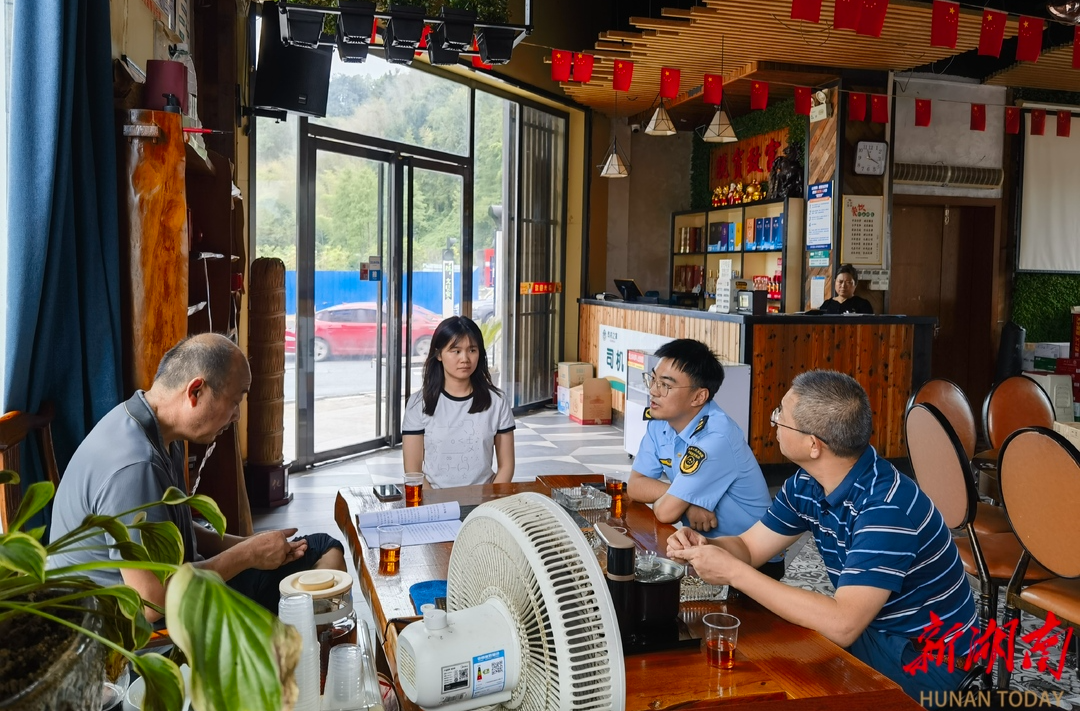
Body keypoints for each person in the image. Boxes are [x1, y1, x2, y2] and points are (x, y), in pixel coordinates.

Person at [666, 370, 977, 699]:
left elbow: (843, 623)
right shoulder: (807, 483)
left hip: (929, 661)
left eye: (780, 417)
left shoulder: (885, 510)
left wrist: (734, 572)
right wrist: (704, 545)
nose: (774, 422)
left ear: (813, 445)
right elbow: (749, 546)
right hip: (873, 629)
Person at [50, 333, 346, 617]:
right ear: (195, 391)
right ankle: (312, 655)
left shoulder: (154, 428)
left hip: (185, 585)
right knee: (304, 584)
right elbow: (153, 602)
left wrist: (253, 546)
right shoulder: (134, 466)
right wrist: (247, 555)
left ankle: (312, 650)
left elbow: (176, 531)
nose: (237, 416)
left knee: (320, 547)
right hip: (128, 631)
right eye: (235, 401)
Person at [626, 339, 783, 579]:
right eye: (653, 379)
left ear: (698, 397)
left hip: (753, 558)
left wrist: (678, 501)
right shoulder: (661, 422)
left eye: (666, 385)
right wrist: (689, 501)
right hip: (706, 549)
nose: (654, 390)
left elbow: (665, 512)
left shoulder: (715, 437)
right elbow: (635, 485)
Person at [402, 316, 515, 488]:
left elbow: (506, 466)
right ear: (439, 354)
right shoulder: (419, 403)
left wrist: (490, 502)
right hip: (436, 501)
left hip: (485, 501)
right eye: (456, 351)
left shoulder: (497, 401)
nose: (465, 359)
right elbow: (413, 471)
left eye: (472, 350)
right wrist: (436, 504)